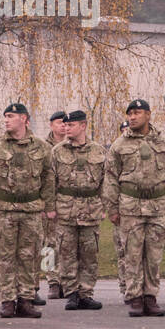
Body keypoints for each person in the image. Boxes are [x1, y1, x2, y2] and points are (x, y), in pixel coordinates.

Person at [103, 99, 165, 317]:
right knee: (132, 254)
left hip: (157, 206)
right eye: (130, 114)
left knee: (154, 256)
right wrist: (112, 208)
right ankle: (135, 297)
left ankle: (151, 297)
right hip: (130, 207)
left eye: (137, 113)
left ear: (148, 115)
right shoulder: (120, 145)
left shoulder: (164, 144)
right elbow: (110, 178)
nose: (132, 117)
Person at [0, 102, 55, 318]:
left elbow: (48, 178)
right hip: (4, 210)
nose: (6, 119)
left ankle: (25, 299)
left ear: (24, 119)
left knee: (30, 256)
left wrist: (48, 206)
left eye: (11, 116)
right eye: (5, 116)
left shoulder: (42, 147)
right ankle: (7, 300)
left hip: (32, 210)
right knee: (5, 257)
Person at [48, 110, 106, 310]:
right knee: (67, 253)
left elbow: (104, 182)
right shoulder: (57, 151)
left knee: (89, 254)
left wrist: (105, 205)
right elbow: (50, 182)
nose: (66, 128)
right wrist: (50, 207)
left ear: (82, 126)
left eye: (71, 125)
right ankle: (71, 292)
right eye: (65, 125)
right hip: (66, 209)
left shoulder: (98, 151)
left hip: (91, 210)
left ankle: (86, 293)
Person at [43, 110, 69, 301]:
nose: (62, 126)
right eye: (59, 122)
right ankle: (52, 281)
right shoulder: (43, 147)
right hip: (48, 202)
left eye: (65, 123)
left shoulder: (73, 146)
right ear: (51, 125)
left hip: (69, 202)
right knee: (48, 244)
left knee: (67, 243)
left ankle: (67, 281)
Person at [113, 120, 129, 303]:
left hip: (134, 208)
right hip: (120, 208)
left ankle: (133, 286)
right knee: (122, 251)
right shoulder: (116, 152)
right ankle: (53, 281)